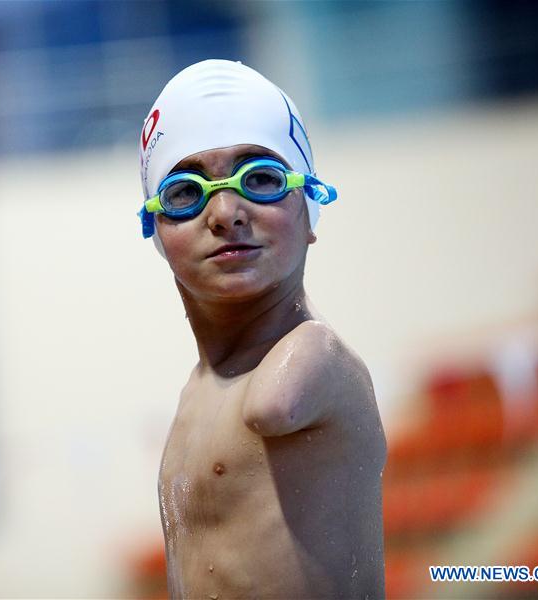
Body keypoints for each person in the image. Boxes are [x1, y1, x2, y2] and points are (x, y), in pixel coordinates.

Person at [137, 60, 387, 599]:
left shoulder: (317, 356)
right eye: (184, 192)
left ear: (310, 207)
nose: (226, 213)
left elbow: (274, 406)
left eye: (261, 180)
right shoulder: (196, 392)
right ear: (153, 228)